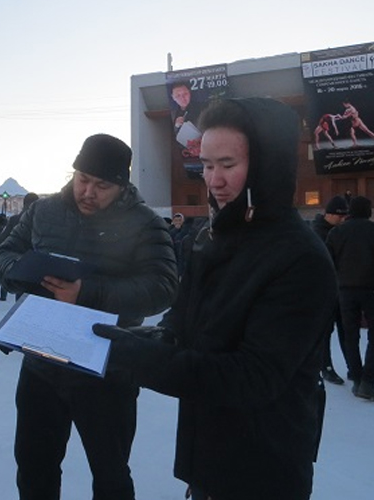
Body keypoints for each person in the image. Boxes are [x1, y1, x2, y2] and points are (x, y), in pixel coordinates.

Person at [93, 98, 337, 500]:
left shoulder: (299, 259)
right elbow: (187, 317)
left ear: (267, 166)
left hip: (264, 468)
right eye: (206, 165)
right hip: (208, 453)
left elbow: (252, 377)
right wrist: (149, 338)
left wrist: (142, 360)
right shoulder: (215, 237)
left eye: (228, 165)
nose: (213, 180)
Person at [0, 133, 178, 500]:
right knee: (34, 467)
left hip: (108, 367)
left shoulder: (143, 223)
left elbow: (163, 286)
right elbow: (3, 255)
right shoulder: (43, 211)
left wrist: (88, 293)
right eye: (83, 180)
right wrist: (23, 273)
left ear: (122, 185)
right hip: (42, 363)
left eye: (102, 185)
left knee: (110, 474)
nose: (88, 192)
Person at [326, 195, 374, 401]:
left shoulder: (336, 233)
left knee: (350, 335)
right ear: (369, 212)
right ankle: (368, 378)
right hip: (373, 290)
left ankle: (356, 377)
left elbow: (328, 261)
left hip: (345, 290)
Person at [311, 195, 350, 385]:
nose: (343, 219)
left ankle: (352, 366)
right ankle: (325, 366)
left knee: (345, 329)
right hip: (323, 291)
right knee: (325, 331)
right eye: (339, 216)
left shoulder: (338, 231)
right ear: (329, 214)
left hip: (341, 288)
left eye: (345, 216)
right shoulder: (318, 232)